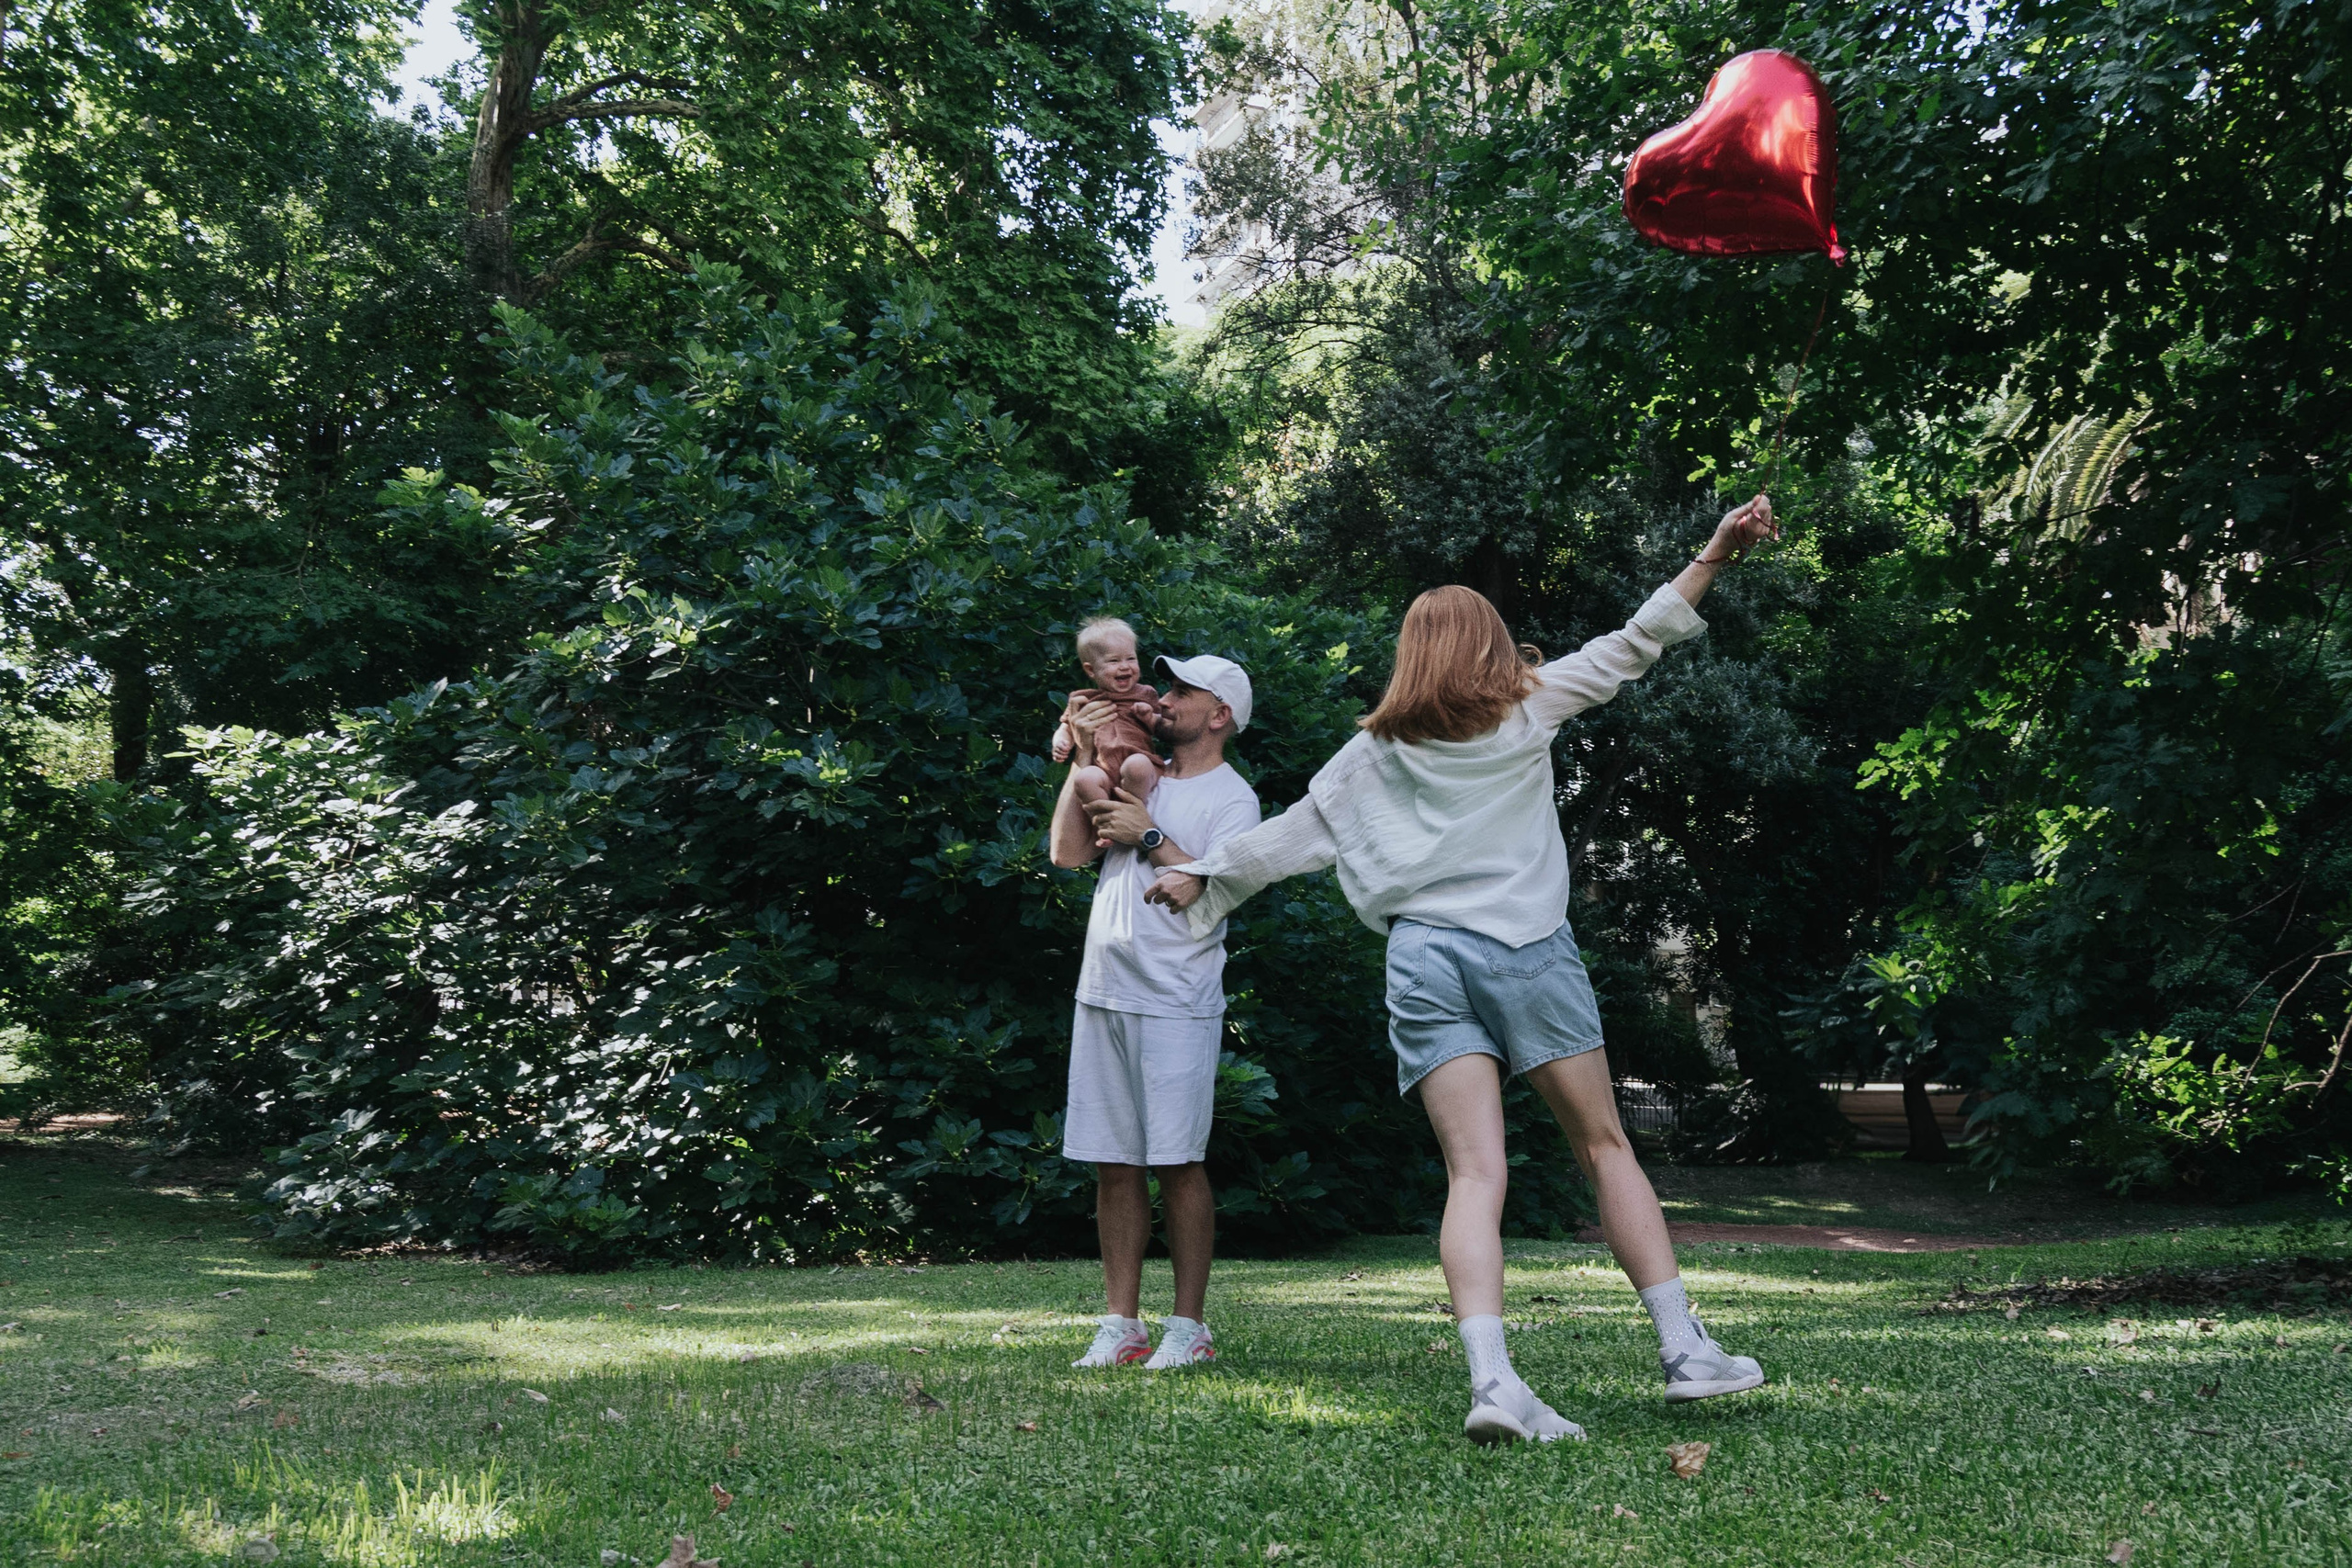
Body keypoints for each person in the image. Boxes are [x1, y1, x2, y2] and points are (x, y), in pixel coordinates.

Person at [1148, 497, 1780, 1442]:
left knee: (1473, 1174)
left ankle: (1494, 1384)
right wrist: (1715, 554)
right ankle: (1686, 1353)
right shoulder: (1530, 710)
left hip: (1422, 961)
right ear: (1493, 647)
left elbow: (1290, 838)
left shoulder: (1375, 750)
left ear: (1411, 654)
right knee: (1604, 1146)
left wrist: (1197, 875)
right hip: (1524, 949)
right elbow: (1638, 636)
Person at [1050, 649, 1261, 1370]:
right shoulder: (1130, 769)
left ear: (1220, 714)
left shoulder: (1235, 799)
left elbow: (1211, 887)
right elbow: (1065, 853)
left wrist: (1146, 831)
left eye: (1181, 690)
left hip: (1176, 999)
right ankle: (1121, 1323)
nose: (1162, 698)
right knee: (1114, 1163)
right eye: (1164, 685)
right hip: (1103, 987)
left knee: (1177, 1161)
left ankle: (1188, 1326)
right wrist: (1081, 752)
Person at [1052, 616, 1167, 845]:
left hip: (1140, 765)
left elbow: (1163, 728)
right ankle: (1106, 828)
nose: (1125, 666)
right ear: (1091, 670)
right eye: (1113, 661)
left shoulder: (1145, 694)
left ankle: (1133, 814)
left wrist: (1150, 715)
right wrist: (1061, 741)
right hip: (1104, 770)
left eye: (1131, 658)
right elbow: (1066, 726)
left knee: (1137, 765)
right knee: (1085, 778)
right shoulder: (1082, 699)